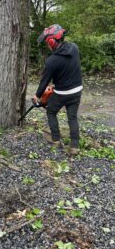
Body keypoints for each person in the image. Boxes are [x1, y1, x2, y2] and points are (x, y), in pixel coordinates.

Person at [34, 24, 82, 155]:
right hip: (77, 90)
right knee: (72, 118)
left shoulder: (52, 61)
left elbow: (44, 81)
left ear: (52, 42)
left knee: (51, 112)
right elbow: (71, 68)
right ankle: (74, 146)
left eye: (47, 42)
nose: (47, 45)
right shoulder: (74, 48)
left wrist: (37, 96)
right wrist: (58, 82)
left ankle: (56, 141)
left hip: (62, 94)